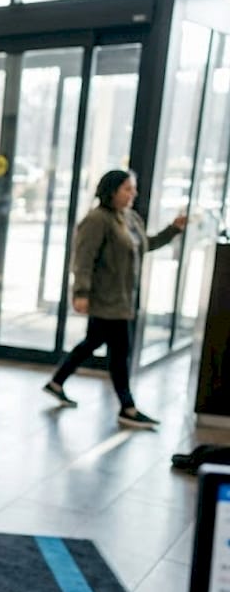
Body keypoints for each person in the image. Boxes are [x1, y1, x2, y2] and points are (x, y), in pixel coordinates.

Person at [43, 170, 185, 429]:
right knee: (120, 353)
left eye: (133, 189)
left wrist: (173, 230)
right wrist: (81, 293)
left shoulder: (130, 218)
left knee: (92, 342)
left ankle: (56, 382)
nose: (133, 194)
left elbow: (144, 245)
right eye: (127, 189)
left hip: (123, 298)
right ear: (111, 191)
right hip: (106, 300)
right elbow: (83, 258)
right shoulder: (97, 220)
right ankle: (127, 408)